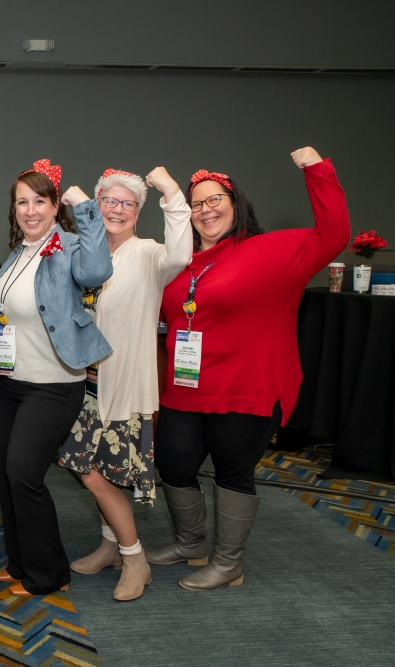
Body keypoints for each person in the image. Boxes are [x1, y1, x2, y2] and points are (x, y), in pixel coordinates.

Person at [146, 147, 350, 590]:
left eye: (215, 199)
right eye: (196, 203)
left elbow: (334, 233)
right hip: (185, 386)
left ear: (236, 204)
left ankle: (227, 562)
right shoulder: (177, 262)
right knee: (174, 463)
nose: (205, 210)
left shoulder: (273, 251)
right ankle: (190, 543)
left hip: (247, 388)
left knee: (232, 470)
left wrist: (316, 169)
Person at [57, 166, 192, 601]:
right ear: (96, 207)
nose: (116, 210)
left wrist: (170, 190)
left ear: (138, 212)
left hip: (122, 384)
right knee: (93, 470)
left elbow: (182, 254)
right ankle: (110, 544)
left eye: (127, 203)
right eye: (108, 202)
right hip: (82, 381)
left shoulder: (150, 255)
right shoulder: (80, 253)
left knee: (96, 473)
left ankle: (135, 557)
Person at [0, 159, 114, 597]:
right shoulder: (17, 252)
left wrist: (86, 207)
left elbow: (97, 272)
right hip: (6, 383)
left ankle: (48, 572)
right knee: (3, 474)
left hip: (53, 384)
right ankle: (21, 562)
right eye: (21, 201)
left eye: (39, 200)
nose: (30, 209)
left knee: (24, 473)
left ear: (55, 204)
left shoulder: (70, 246)